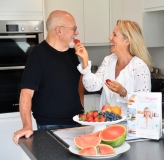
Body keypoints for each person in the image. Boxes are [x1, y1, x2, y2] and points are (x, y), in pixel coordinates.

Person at [13, 10, 84, 145]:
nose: (77, 32)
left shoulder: (72, 54)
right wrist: (27, 126)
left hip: (77, 123)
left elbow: (78, 82)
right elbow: (26, 93)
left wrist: (81, 105)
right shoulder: (38, 54)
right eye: (74, 29)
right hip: (50, 126)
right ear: (59, 30)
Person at [74, 20, 152, 116]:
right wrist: (85, 60)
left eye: (114, 35)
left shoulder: (140, 67)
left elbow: (144, 104)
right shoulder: (108, 60)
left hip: (127, 126)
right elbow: (92, 86)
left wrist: (123, 92)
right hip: (106, 123)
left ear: (126, 41)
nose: (110, 37)